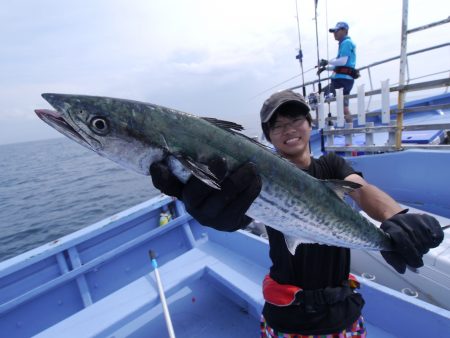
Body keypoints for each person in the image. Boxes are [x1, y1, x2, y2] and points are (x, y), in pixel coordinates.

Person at [149, 90, 444, 337]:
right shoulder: (258, 174)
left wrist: (396, 215)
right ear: (268, 136)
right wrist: (219, 216)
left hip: (342, 311)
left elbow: (360, 188)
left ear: (309, 123)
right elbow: (241, 213)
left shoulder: (330, 165)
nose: (288, 129)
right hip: (285, 315)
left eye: (295, 120)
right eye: (277, 126)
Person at [317, 21, 359, 124]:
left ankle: (319, 123)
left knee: (318, 96)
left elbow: (343, 61)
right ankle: (351, 129)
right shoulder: (344, 44)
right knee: (344, 108)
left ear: (345, 31)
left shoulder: (346, 43)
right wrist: (325, 68)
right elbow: (339, 66)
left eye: (337, 31)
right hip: (346, 80)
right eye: (333, 31)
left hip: (341, 81)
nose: (334, 33)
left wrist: (327, 61)